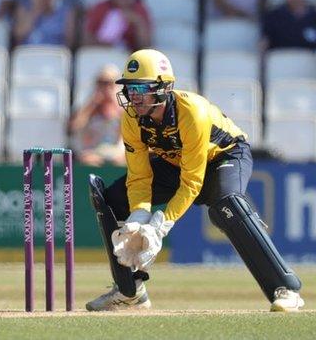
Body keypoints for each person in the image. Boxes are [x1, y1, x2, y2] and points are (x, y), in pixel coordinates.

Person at [85, 49, 304, 312]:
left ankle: (285, 288)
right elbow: (140, 176)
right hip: (176, 162)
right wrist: (139, 216)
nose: (135, 97)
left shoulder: (192, 112)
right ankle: (130, 291)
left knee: (228, 205)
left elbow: (191, 182)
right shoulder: (132, 118)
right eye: (131, 89)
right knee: (112, 199)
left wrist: (160, 224)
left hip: (224, 157)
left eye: (142, 88)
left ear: (164, 88)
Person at [69, 64, 125, 166]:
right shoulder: (87, 105)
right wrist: (93, 103)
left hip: (117, 151)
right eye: (102, 83)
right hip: (92, 151)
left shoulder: (123, 107)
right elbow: (75, 127)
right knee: (89, 162)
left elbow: (130, 129)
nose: (106, 87)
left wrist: (114, 102)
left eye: (110, 83)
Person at [82, 0, 151, 51]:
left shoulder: (140, 9)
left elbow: (146, 46)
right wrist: (106, 44)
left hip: (130, 58)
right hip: (101, 53)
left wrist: (138, 23)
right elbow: (86, 39)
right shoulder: (101, 7)